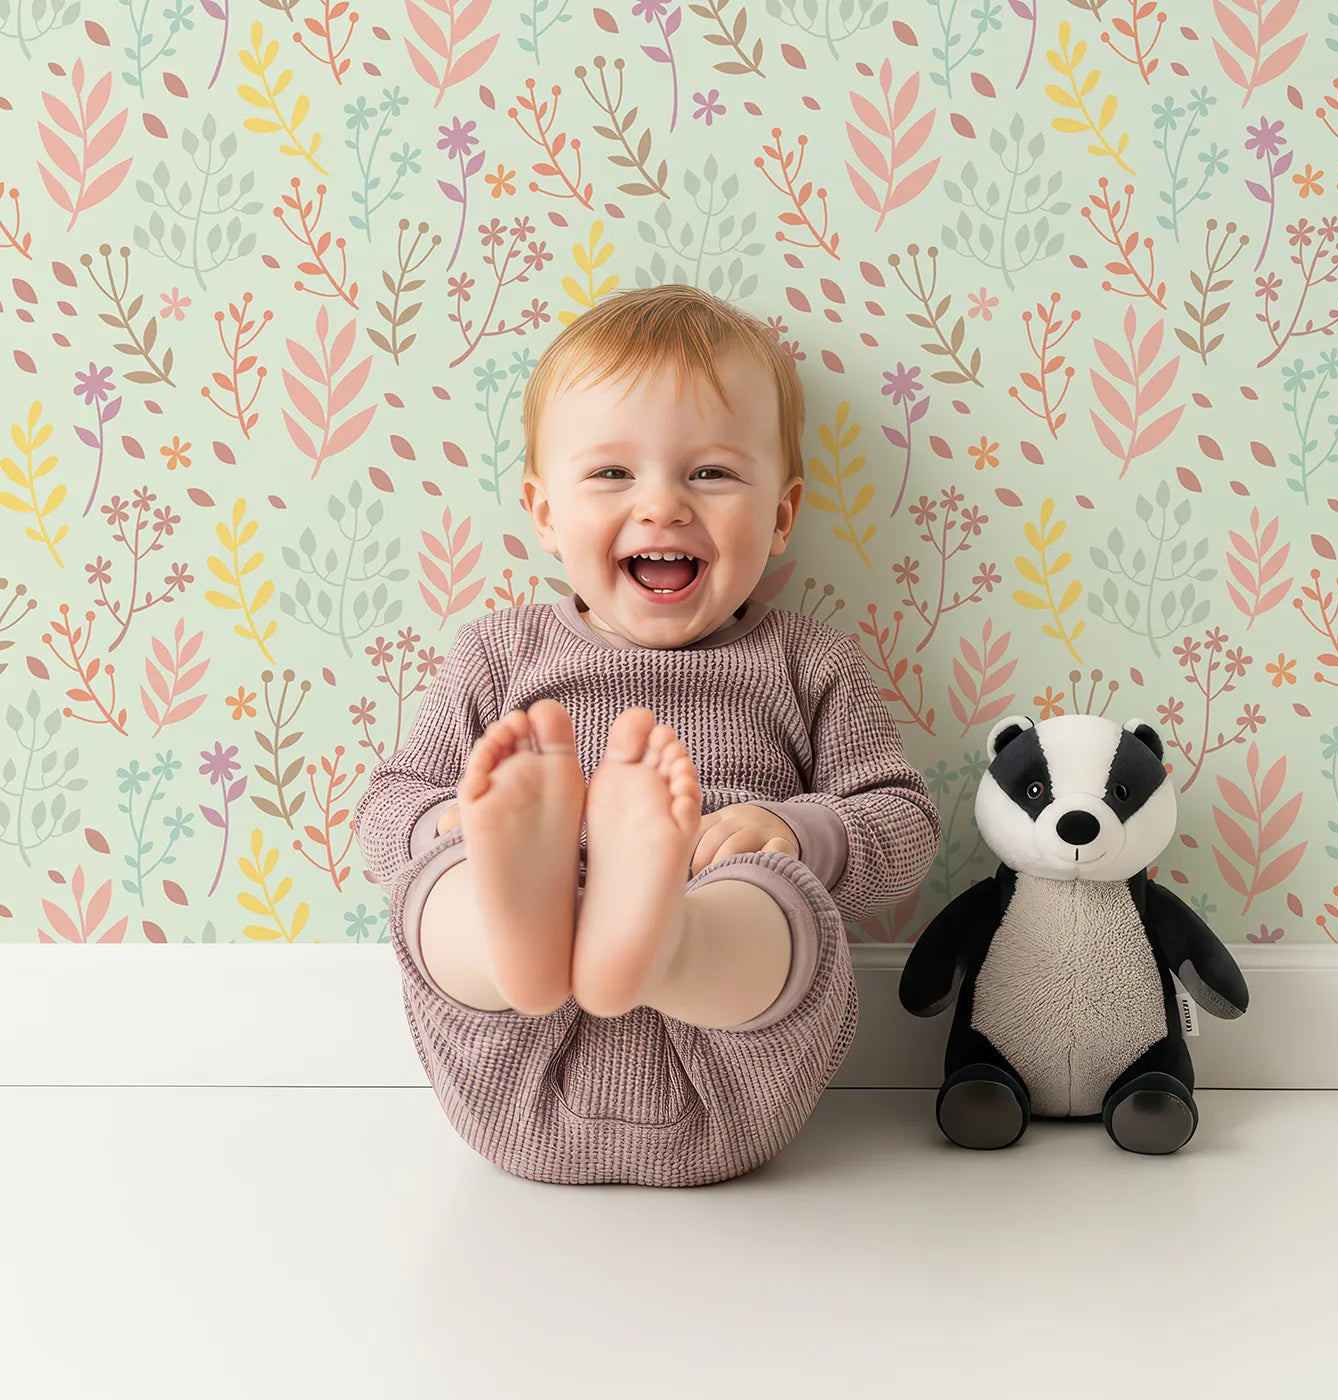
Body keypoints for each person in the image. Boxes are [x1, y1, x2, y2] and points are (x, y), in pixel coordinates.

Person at [351, 284, 940, 1187]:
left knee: (768, 893)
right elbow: (385, 809)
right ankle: (519, 933)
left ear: (782, 515)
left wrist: (794, 833)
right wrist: (452, 829)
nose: (662, 506)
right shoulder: (500, 655)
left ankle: (662, 939)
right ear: (544, 513)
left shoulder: (804, 662)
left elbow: (901, 824)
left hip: (736, 1067)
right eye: (612, 473)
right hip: (512, 1065)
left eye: (709, 473)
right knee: (442, 877)